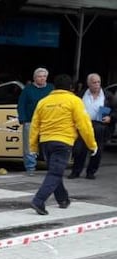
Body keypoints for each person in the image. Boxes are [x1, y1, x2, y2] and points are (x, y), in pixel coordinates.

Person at [29, 74, 97, 215]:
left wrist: (33, 146)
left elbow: (34, 126)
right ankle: (38, 200)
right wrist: (92, 145)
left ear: (54, 87)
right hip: (63, 142)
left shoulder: (43, 101)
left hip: (45, 142)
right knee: (55, 173)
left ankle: (63, 199)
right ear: (71, 87)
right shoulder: (74, 101)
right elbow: (84, 125)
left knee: (54, 171)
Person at [70, 73, 116, 179]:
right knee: (78, 149)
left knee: (97, 150)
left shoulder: (107, 95)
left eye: (98, 82)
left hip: (99, 125)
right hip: (83, 124)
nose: (97, 84)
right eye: (94, 82)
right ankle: (76, 171)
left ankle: (91, 172)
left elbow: (115, 110)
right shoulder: (81, 94)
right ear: (88, 83)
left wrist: (110, 118)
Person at [17, 68, 53, 176]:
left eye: (44, 76)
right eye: (39, 76)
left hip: (47, 122)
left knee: (48, 145)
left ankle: (51, 167)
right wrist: (22, 118)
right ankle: (30, 168)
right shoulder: (27, 90)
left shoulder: (51, 89)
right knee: (29, 146)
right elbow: (21, 105)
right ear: (34, 78)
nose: (42, 78)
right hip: (30, 121)